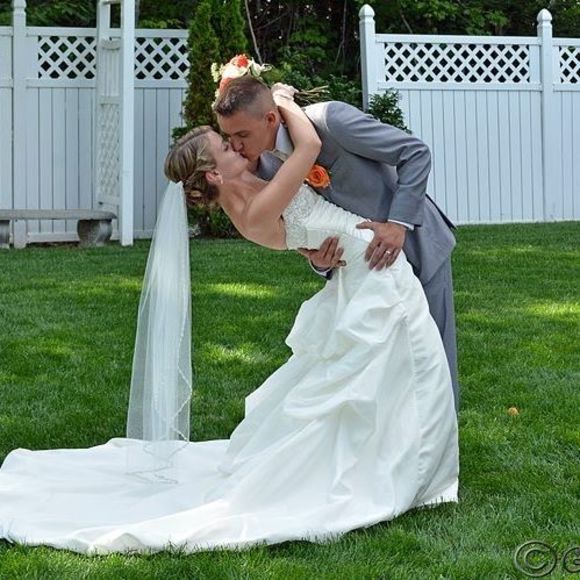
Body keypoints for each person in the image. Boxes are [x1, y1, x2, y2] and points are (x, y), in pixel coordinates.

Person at [0, 88, 459, 555]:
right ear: (215, 172)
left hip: (376, 266)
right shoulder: (253, 207)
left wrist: (318, 255)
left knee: (397, 371)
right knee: (403, 369)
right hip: (372, 272)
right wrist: (284, 101)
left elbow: (310, 230)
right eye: (225, 143)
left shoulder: (263, 176)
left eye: (235, 137)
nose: (236, 145)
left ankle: (404, 460)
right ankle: (407, 469)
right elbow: (309, 151)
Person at [214, 77, 460, 412]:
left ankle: (442, 438)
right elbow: (306, 225)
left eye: (242, 135)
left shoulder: (331, 121)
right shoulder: (268, 169)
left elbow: (414, 152)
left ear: (270, 118)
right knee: (381, 372)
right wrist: (319, 262)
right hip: (362, 276)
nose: (236, 146)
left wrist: (398, 223)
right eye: (229, 137)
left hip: (417, 248)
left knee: (432, 358)